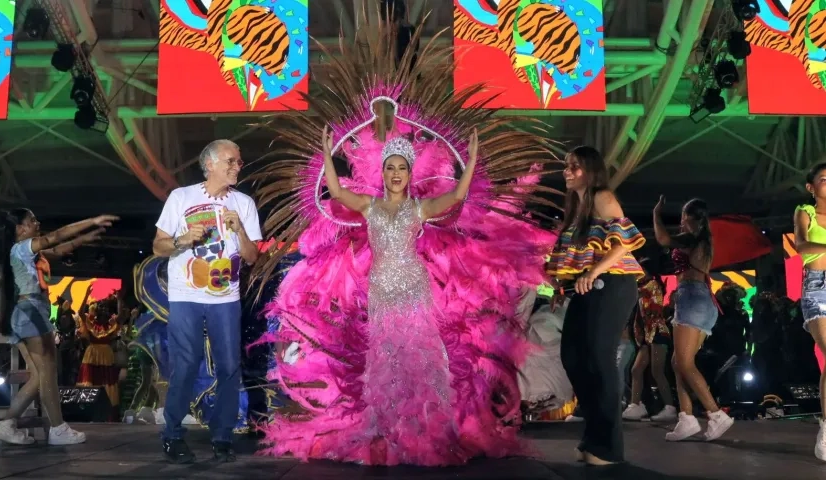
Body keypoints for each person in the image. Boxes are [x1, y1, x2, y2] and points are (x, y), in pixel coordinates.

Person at [249, 13, 558, 466]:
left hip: (412, 287)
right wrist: (327, 148)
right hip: (381, 289)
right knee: (386, 361)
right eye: (390, 168)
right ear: (386, 173)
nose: (395, 173)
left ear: (409, 174)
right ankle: (387, 427)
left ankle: (427, 427)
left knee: (420, 360)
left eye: (401, 169)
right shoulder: (369, 207)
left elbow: (455, 194)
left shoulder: (419, 209)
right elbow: (333, 192)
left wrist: (470, 161)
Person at [151, 139, 261, 463]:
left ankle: (222, 435)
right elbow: (158, 246)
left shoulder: (244, 204)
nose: (237, 166)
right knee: (185, 365)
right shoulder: (181, 197)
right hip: (186, 295)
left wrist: (239, 229)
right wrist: (182, 240)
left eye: (239, 162)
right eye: (230, 161)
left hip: (225, 298)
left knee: (229, 366)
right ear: (210, 164)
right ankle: (172, 434)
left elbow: (253, 255)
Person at [546, 146, 645, 466]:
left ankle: (608, 448)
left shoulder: (602, 196)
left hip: (613, 284)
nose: (567, 172)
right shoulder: (577, 207)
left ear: (590, 170)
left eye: (574, 167)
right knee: (573, 357)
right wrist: (565, 284)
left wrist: (594, 271)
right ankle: (593, 436)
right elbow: (579, 255)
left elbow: (625, 242)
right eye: (566, 166)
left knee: (599, 362)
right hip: (587, 287)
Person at [0, 209, 117, 445]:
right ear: (20, 229)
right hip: (31, 313)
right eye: (32, 221)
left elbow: (59, 249)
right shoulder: (21, 248)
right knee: (48, 372)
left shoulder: (28, 254)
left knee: (39, 376)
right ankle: (58, 429)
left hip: (26, 313)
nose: (37, 223)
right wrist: (91, 219)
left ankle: (6, 425)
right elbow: (55, 237)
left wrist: (85, 238)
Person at [653, 197, 734, 442]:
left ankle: (716, 413)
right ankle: (686, 419)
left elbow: (663, 240)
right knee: (679, 362)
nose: (680, 219)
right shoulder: (702, 239)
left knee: (685, 364)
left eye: (683, 215)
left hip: (692, 298)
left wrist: (657, 214)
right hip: (701, 301)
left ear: (692, 217)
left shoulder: (693, 237)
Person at [793, 161, 826, 461]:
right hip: (817, 286)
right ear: (811, 187)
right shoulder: (806, 212)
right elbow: (801, 245)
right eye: (824, 179)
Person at [622, 261, 677, 422]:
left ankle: (670, 407)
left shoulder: (652, 285)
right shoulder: (642, 286)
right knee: (636, 370)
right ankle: (636, 404)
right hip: (647, 336)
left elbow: (651, 305)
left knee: (657, 371)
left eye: (640, 269)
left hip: (658, 333)